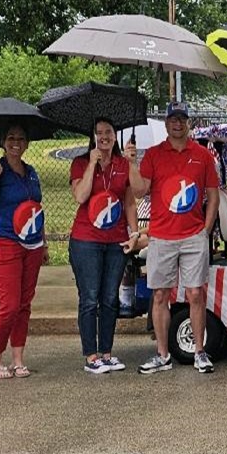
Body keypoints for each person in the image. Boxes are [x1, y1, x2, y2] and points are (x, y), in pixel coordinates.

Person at [128, 103, 220, 374]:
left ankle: (200, 352)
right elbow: (140, 190)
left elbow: (212, 194)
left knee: (195, 294)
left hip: (193, 235)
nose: (177, 124)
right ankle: (162, 354)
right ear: (166, 124)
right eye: (173, 119)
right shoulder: (154, 155)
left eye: (182, 119)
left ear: (188, 123)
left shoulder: (202, 155)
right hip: (162, 236)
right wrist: (132, 164)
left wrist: (206, 228)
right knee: (160, 295)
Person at [0, 124, 48, 380]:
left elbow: (35, 207)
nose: (16, 143)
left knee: (24, 305)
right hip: (5, 240)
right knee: (10, 304)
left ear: (27, 143)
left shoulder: (31, 172)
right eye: (10, 138)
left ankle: (18, 359)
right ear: (3, 142)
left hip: (33, 243)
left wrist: (44, 241)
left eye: (21, 138)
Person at [69, 117, 138, 374]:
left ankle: (107, 352)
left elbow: (130, 202)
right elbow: (81, 195)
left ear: (115, 136)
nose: (104, 137)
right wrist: (91, 164)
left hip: (115, 240)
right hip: (86, 240)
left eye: (108, 132)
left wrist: (133, 233)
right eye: (98, 133)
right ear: (93, 137)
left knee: (110, 298)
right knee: (89, 298)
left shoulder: (123, 164)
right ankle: (91, 355)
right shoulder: (80, 163)